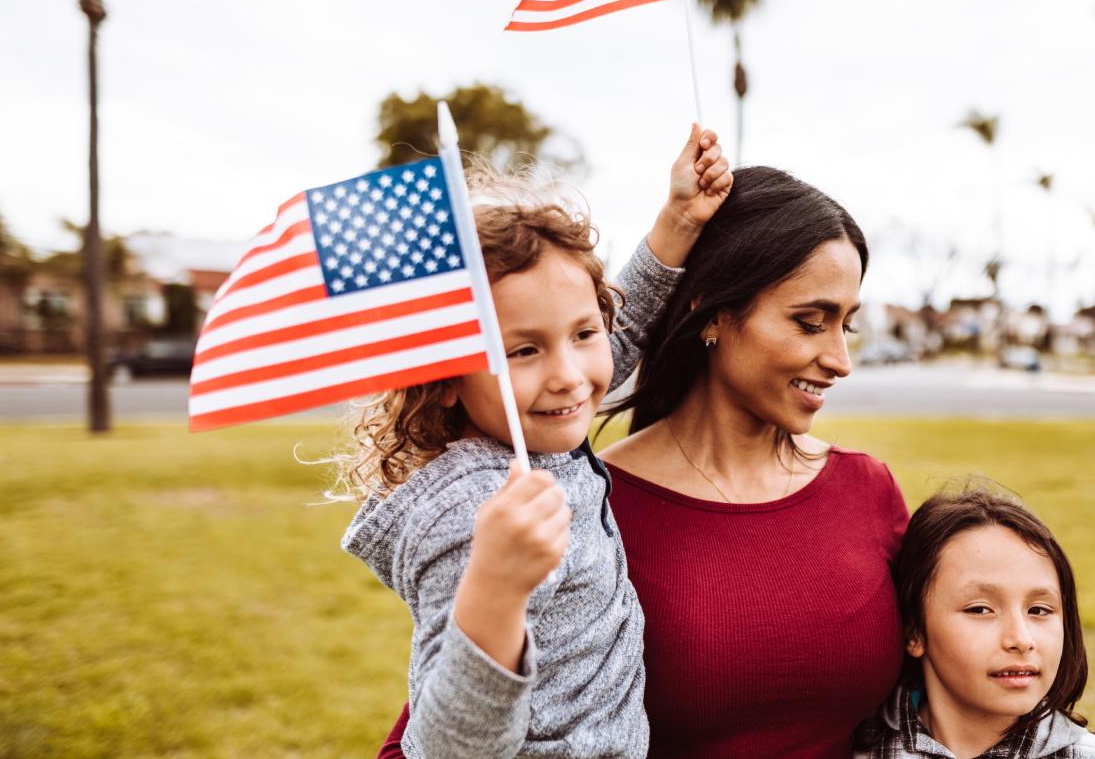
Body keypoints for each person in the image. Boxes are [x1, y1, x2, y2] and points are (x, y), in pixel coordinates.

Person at [340, 126, 731, 759]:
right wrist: (495, 585)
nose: (570, 377)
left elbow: (616, 333)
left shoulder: (536, 426)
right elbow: (444, 746)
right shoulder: (474, 514)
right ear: (442, 380)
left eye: (582, 333)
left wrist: (678, 221)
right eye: (523, 350)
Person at [600, 165, 910, 757]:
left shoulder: (868, 489)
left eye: (846, 325)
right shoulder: (598, 506)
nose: (841, 360)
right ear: (713, 312)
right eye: (810, 323)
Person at [855, 485, 1095, 759]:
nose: (1021, 640)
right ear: (914, 632)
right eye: (980, 610)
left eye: (1039, 610)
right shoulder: (857, 748)